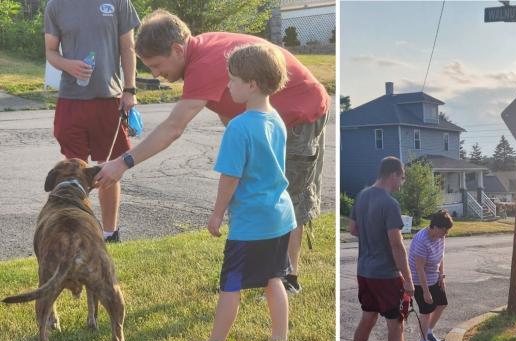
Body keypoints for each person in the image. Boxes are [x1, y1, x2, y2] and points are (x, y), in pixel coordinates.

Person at [95, 9, 330, 292]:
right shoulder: (201, 51)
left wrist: (123, 163)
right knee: (262, 194)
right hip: (272, 118)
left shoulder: (205, 63)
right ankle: (266, 271)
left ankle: (287, 278)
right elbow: (228, 107)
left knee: (286, 195)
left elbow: (173, 128)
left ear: (177, 48)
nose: (156, 74)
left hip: (299, 115)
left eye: (157, 65)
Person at [188, 44, 296, 341]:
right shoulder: (275, 119)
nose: (228, 85)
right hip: (279, 216)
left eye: (233, 79)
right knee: (274, 277)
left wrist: (216, 214)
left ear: (252, 84)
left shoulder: (238, 127)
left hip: (250, 222)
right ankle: (279, 337)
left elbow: (230, 178)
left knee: (231, 284)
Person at [44, 0, 140, 242]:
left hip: (109, 99)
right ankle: (76, 231)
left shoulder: (118, 2)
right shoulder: (56, 5)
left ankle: (110, 233)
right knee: (73, 170)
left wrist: (130, 89)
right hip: (71, 99)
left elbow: (128, 47)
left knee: (109, 168)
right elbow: (51, 52)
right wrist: (69, 65)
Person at [343, 157, 427, 341]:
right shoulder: (389, 203)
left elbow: (353, 229)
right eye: (402, 177)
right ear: (393, 174)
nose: (402, 181)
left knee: (367, 317)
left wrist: (371, 237)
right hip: (386, 275)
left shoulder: (362, 195)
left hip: (364, 271)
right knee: (396, 326)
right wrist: (409, 281)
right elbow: (396, 244)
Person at [409, 210, 453, 341]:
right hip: (419, 280)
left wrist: (442, 277)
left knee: (441, 303)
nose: (445, 234)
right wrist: (426, 292)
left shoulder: (440, 237)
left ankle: (429, 332)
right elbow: (419, 268)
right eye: (444, 231)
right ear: (435, 227)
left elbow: (441, 258)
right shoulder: (421, 240)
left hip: (434, 276)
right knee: (426, 311)